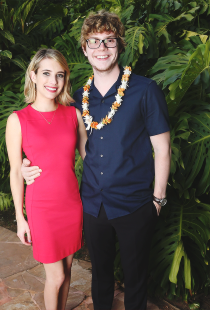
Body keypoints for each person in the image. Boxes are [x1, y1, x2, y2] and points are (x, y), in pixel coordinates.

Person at [21, 11, 171, 310]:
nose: (102, 48)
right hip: (92, 203)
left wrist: (158, 199)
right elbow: (50, 136)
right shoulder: (77, 98)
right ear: (85, 49)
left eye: (109, 40)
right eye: (94, 41)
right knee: (100, 275)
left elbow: (163, 148)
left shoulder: (144, 90)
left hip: (135, 202)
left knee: (136, 277)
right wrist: (28, 165)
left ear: (119, 45)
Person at [5, 48, 87, 310]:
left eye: (60, 75)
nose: (53, 82)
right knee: (57, 276)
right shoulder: (18, 120)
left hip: (71, 205)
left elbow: (91, 157)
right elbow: (16, 171)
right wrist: (20, 217)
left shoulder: (73, 115)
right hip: (42, 208)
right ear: (34, 75)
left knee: (67, 271)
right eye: (47, 74)